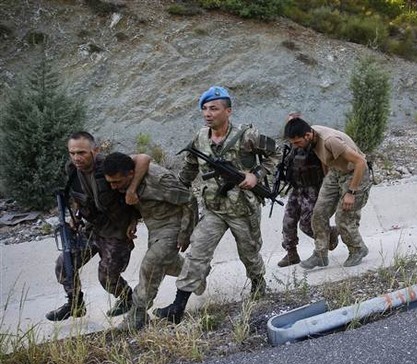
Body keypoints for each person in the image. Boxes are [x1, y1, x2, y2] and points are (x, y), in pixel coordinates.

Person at [153, 86, 279, 324]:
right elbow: (189, 168)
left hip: (243, 208)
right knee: (197, 252)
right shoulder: (200, 138)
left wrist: (257, 175)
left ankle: (258, 283)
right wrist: (178, 193)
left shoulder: (247, 135)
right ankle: (178, 307)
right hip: (214, 207)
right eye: (204, 109)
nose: (208, 113)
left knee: (249, 252)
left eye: (214, 108)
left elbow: (277, 153)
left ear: (228, 111)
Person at [46, 132, 146, 321]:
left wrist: (134, 220)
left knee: (107, 276)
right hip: (91, 227)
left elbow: (136, 189)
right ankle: (74, 304)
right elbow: (77, 196)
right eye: (72, 153)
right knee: (64, 265)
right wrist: (74, 217)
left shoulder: (109, 166)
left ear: (95, 151)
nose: (77, 158)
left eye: (82, 153)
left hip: (116, 228)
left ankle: (127, 299)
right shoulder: (72, 169)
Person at [103, 152, 197, 331]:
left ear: (131, 174)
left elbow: (189, 200)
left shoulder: (159, 180)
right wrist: (133, 220)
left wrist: (186, 232)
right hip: (155, 227)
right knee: (165, 264)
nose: (114, 187)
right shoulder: (128, 181)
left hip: (173, 225)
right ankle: (196, 273)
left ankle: (137, 315)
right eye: (110, 183)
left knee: (150, 265)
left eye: (117, 182)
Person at [283, 117, 372, 269]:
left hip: (355, 173)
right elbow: (325, 157)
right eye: (293, 143)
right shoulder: (312, 135)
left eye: (297, 142)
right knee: (317, 214)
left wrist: (351, 192)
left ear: (308, 135)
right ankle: (320, 255)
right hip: (335, 172)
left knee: (343, 216)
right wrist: (327, 182)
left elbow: (360, 162)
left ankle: (358, 249)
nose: (296, 146)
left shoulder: (330, 141)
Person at [278, 112, 339, 267]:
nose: (295, 144)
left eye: (298, 141)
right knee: (288, 221)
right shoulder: (294, 145)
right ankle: (291, 253)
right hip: (297, 188)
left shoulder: (316, 144)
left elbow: (328, 166)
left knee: (307, 223)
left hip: (314, 188)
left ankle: (329, 236)